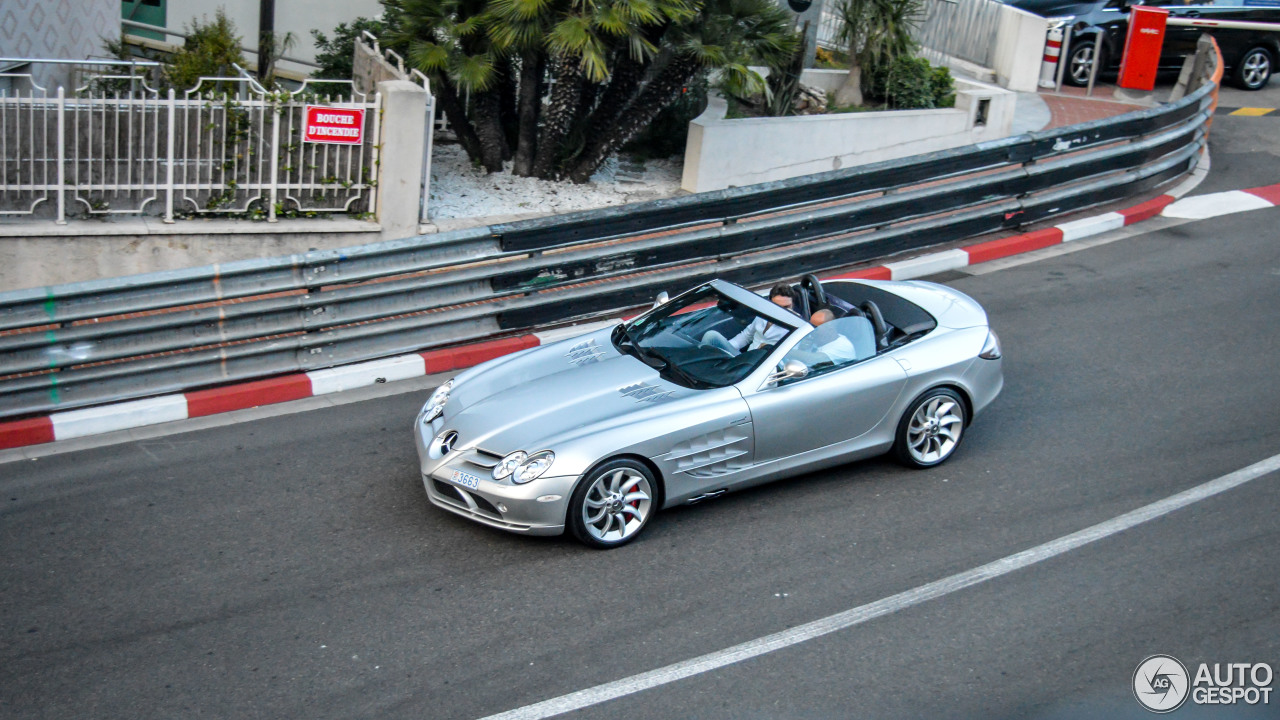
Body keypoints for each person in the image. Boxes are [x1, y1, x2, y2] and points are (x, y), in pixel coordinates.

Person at [702, 284, 798, 354]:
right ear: (769, 302)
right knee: (710, 336)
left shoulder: (797, 325)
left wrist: (769, 350)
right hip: (744, 359)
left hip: (761, 368)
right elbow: (746, 336)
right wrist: (727, 348)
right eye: (776, 306)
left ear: (793, 304)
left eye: (786, 307)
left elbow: (791, 355)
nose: (781, 311)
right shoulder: (763, 314)